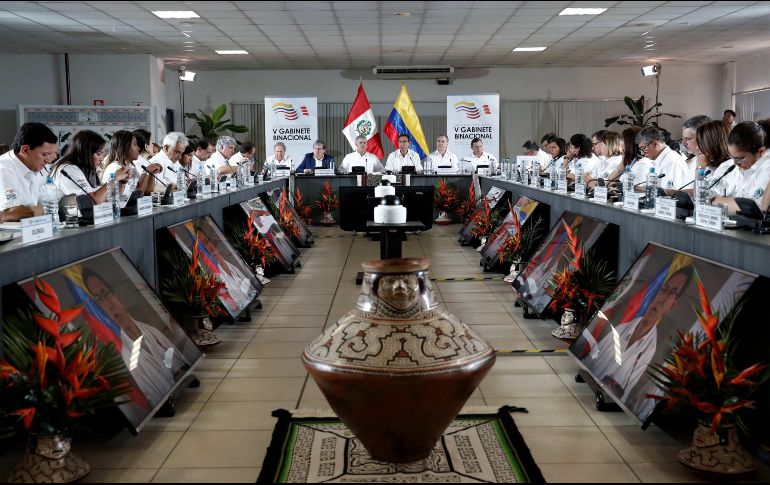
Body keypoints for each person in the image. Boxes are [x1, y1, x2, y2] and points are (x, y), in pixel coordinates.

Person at [581, 265, 693, 418]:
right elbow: (591, 359)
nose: (662, 298)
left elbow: (626, 395)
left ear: (673, 304)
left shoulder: (651, 351)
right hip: (585, 397)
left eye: (671, 293)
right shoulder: (622, 327)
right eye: (664, 290)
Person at [82, 267, 192, 409]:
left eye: (105, 294)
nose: (108, 305)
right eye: (98, 300)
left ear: (118, 297)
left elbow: (175, 363)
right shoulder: (124, 358)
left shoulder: (150, 330)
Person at [51, 130, 128, 204]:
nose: (101, 158)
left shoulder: (87, 169)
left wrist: (121, 181)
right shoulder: (68, 170)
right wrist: (115, 178)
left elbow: (107, 196)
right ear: (85, 153)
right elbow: (92, 201)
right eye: (98, 154)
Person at [0, 122, 58, 221]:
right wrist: (43, 209)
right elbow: (11, 212)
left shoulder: (38, 166)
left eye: (51, 154)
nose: (48, 160)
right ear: (25, 150)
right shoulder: (4, 168)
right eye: (44, 154)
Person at [712, 121, 770, 213]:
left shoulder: (767, 167)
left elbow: (758, 206)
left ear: (761, 152)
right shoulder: (747, 166)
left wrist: (714, 200)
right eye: (732, 157)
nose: (735, 163)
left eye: (740, 158)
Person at [101, 131, 159, 197]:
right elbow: (133, 197)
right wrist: (145, 172)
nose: (138, 148)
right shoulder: (116, 168)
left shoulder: (132, 167)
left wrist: (148, 172)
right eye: (135, 144)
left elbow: (142, 193)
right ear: (125, 147)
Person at [635, 126, 688, 191]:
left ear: (655, 143)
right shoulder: (659, 159)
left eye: (643, 148)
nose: (642, 153)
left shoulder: (671, 161)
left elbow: (670, 194)